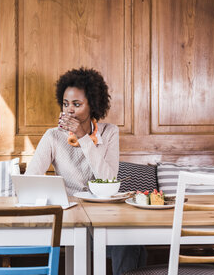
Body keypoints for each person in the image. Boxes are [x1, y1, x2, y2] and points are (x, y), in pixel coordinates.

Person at [25, 67, 146, 275]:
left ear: (93, 105)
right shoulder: (53, 136)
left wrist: (83, 138)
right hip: (70, 217)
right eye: (65, 104)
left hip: (104, 217)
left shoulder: (109, 133)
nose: (69, 110)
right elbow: (29, 181)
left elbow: (109, 181)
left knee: (130, 241)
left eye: (77, 104)